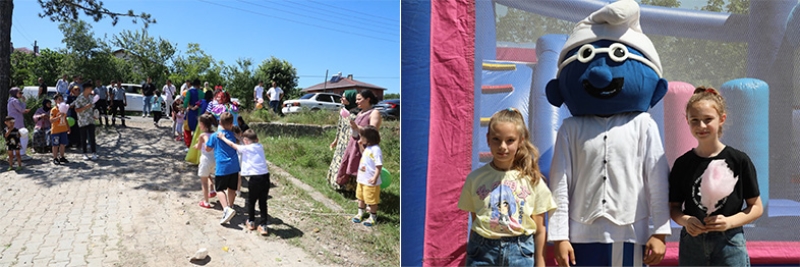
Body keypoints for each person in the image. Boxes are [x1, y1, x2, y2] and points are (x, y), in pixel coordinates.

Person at [668, 87, 763, 266]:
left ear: (722, 119)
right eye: (695, 120)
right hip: (692, 244)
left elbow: (756, 207)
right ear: (687, 121)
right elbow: (674, 208)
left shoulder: (739, 160)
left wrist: (729, 222)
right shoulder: (682, 164)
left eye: (708, 119)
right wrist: (686, 220)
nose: (701, 126)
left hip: (730, 243)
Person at [457, 108, 557, 266]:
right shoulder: (475, 179)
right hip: (482, 253)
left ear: (521, 141)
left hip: (521, 254)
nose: (502, 146)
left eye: (510, 140)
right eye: (496, 139)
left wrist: (541, 262)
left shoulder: (532, 181)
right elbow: (477, 222)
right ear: (488, 139)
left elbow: (539, 229)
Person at [217, 129, 270, 235]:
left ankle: (251, 222)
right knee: (263, 202)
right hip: (265, 177)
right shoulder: (260, 146)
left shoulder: (245, 149)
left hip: (255, 179)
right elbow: (247, 140)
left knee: (251, 201)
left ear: (245, 141)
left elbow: (232, 145)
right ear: (257, 139)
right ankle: (263, 226)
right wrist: (239, 137)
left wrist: (223, 138)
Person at [336, 90, 382, 187]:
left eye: (359, 99)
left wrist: (357, 127)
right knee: (352, 165)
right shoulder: (360, 113)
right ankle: (354, 190)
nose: (356, 102)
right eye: (356, 99)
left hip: (365, 147)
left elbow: (373, 131)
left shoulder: (374, 113)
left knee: (363, 168)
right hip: (354, 144)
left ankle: (365, 192)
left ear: (368, 99)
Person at [205, 112, 241, 225]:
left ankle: (226, 209)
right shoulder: (233, 135)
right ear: (231, 124)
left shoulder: (215, 135)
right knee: (232, 188)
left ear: (220, 123)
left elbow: (207, 149)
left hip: (222, 167)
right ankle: (231, 205)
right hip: (234, 166)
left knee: (219, 189)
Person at [350, 125, 385, 227]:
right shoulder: (368, 148)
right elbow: (363, 153)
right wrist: (360, 145)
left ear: (369, 138)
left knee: (372, 200)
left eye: (362, 137)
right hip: (362, 179)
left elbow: (379, 165)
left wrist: (375, 177)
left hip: (370, 180)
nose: (360, 139)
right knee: (360, 197)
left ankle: (373, 216)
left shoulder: (376, 149)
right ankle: (360, 213)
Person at [327, 89, 359, 191]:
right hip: (341, 144)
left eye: (344, 97)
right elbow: (340, 127)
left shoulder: (357, 115)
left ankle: (348, 188)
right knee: (338, 162)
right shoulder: (343, 112)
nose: (341, 99)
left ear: (350, 99)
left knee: (348, 164)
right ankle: (335, 183)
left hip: (351, 144)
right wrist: (336, 140)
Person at [195, 113, 218, 209]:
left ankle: (206, 202)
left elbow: (200, 147)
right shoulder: (215, 134)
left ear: (203, 125)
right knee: (208, 174)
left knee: (203, 181)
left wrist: (196, 146)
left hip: (206, 158)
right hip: (215, 159)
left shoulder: (203, 135)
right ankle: (212, 190)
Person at [71, 82, 97, 160]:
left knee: (92, 137)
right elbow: (76, 110)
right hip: (82, 120)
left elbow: (94, 107)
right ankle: (84, 153)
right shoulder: (79, 98)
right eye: (90, 88)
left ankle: (94, 153)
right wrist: (86, 107)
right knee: (83, 137)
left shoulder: (91, 97)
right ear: (86, 89)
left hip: (91, 119)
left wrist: (95, 114)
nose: (91, 90)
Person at [7, 87, 31, 161]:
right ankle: (20, 154)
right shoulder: (15, 101)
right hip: (17, 121)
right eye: (19, 93)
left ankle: (13, 154)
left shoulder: (10, 101)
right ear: (15, 93)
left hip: (13, 121)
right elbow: (21, 110)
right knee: (21, 136)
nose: (21, 94)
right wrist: (24, 102)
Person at [50, 94, 70, 165]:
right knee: (55, 145)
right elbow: (51, 120)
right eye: (59, 99)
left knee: (62, 144)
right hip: (56, 130)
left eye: (62, 99)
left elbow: (65, 119)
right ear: (55, 101)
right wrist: (58, 117)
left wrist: (68, 127)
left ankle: (62, 157)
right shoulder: (53, 110)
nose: (61, 101)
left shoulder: (64, 109)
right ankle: (55, 158)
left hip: (63, 129)